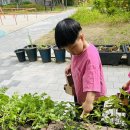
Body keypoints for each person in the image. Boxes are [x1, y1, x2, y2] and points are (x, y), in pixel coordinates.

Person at [55, 18, 107, 119]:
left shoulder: (90, 58)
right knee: (79, 118)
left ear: (82, 37)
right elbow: (76, 57)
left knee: (92, 123)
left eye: (73, 47)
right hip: (80, 93)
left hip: (93, 99)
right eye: (67, 50)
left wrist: (88, 103)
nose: (71, 52)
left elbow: (93, 82)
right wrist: (71, 65)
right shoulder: (76, 50)